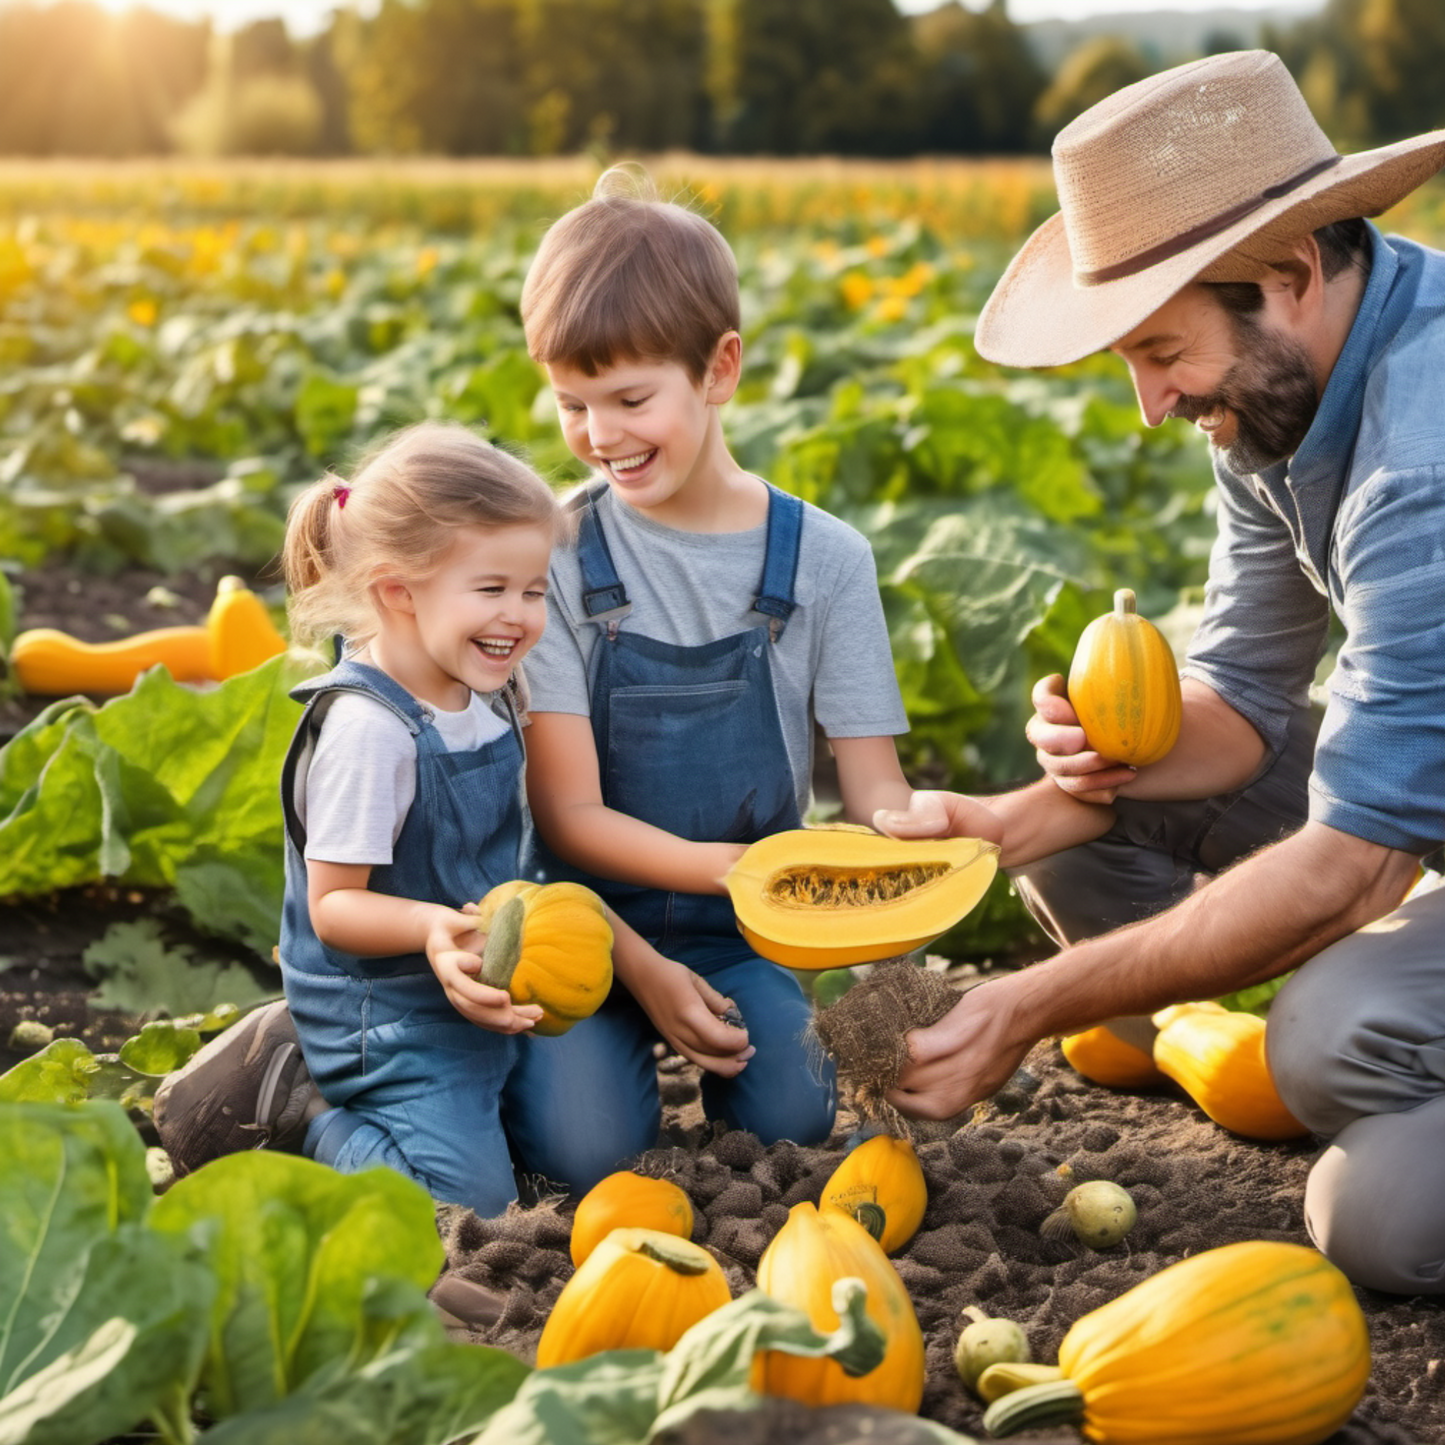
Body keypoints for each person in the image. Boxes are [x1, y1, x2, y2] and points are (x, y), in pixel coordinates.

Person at [874, 50, 1445, 1296]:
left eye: (1157, 348)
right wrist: (1009, 818)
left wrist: (1027, 1001)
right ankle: (1279, 1031)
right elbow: (1238, 696)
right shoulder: (1274, 390)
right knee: (1085, 823)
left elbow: (1352, 867)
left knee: (1357, 1141)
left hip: (1383, 845)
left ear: (1288, 271)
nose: (1146, 403)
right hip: (1410, 806)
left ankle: (1363, 1040)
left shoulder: (1422, 456)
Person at [501, 167, 1043, 1195]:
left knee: (792, 1117)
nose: (600, 434)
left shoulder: (825, 559)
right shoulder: (557, 556)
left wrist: (911, 835)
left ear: (718, 368)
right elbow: (566, 817)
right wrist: (737, 875)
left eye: (628, 398)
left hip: (755, 928)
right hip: (587, 922)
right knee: (582, 1150)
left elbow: (872, 789)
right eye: (571, 403)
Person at [154, 421, 686, 1220]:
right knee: (461, 1208)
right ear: (397, 590)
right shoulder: (371, 731)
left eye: (534, 590)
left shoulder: (490, 686)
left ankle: (472, 1117)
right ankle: (305, 1108)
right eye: (491, 589)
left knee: (595, 1157)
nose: (520, 616)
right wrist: (436, 930)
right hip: (389, 1012)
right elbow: (336, 908)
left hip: (486, 974)